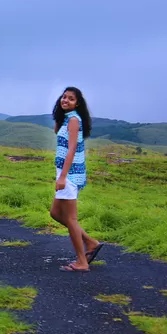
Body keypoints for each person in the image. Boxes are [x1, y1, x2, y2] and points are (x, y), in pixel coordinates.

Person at [50, 87, 103, 272]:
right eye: (64, 97)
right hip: (65, 172)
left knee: (71, 219)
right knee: (56, 213)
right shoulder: (65, 119)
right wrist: (59, 112)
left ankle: (82, 261)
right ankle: (90, 243)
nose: (66, 100)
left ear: (77, 103)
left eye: (71, 99)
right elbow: (57, 132)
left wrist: (63, 176)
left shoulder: (73, 120)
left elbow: (71, 150)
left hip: (70, 174)